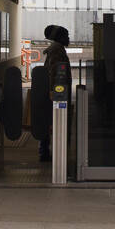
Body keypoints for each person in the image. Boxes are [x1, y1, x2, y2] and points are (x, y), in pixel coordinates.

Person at [38, 24, 71, 163]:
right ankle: (46, 152)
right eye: (66, 35)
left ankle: (45, 151)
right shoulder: (57, 50)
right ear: (59, 37)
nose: (68, 38)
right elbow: (54, 71)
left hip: (56, 91)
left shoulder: (56, 49)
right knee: (55, 121)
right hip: (57, 93)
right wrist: (53, 91)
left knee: (50, 121)